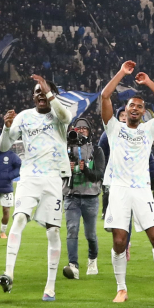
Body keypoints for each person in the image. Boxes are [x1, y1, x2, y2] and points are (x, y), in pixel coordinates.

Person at [99, 60, 154, 302]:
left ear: (144, 112)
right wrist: (121, 73)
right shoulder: (113, 128)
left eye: (139, 106)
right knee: (119, 240)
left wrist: (147, 81)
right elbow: (105, 96)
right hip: (118, 189)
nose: (135, 109)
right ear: (125, 110)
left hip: (141, 190)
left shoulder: (149, 130)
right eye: (131, 105)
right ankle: (121, 288)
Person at [0, 74, 73, 302]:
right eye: (37, 92)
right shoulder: (24, 117)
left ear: (52, 95)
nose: (41, 95)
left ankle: (50, 287)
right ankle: (8, 273)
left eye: (45, 92)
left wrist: (49, 91)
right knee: (19, 218)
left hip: (53, 178)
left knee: (53, 231)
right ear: (32, 96)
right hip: (29, 177)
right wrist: (5, 127)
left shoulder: (59, 116)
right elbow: (4, 146)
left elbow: (65, 115)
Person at [62, 119, 105, 279]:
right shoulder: (65, 150)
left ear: (89, 131)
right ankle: (73, 266)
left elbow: (99, 175)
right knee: (72, 230)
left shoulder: (97, 150)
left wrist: (86, 170)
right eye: (78, 128)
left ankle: (92, 259)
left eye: (84, 129)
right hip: (71, 196)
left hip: (90, 197)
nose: (81, 131)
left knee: (90, 234)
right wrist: (67, 169)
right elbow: (58, 173)